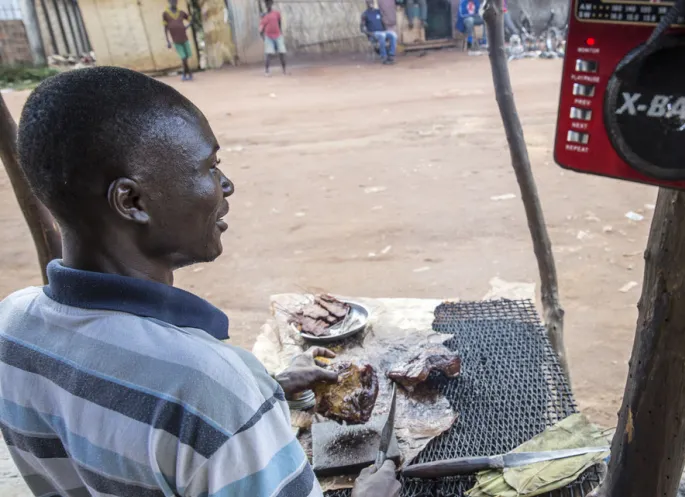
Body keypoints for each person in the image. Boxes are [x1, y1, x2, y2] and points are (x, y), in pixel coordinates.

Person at [2, 66, 402, 497]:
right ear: (132, 201)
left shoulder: (13, 326)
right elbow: (192, 401)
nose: (227, 185)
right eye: (210, 166)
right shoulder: (207, 389)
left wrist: (266, 387)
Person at [163, 0, 193, 81]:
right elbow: (165, 28)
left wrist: (186, 27)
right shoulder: (165, 14)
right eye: (171, 1)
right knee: (183, 58)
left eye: (175, 1)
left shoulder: (182, 13)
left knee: (186, 57)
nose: (173, 2)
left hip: (185, 39)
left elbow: (190, 20)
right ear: (169, 2)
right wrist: (168, 41)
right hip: (176, 40)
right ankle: (187, 73)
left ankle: (186, 74)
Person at [360, 0, 397, 65]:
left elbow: (383, 22)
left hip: (382, 32)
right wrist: (369, 34)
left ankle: (391, 55)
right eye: (369, 2)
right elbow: (362, 29)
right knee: (382, 35)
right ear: (366, 3)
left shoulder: (378, 12)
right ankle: (384, 57)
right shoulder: (365, 14)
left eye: (371, 2)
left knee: (393, 35)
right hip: (373, 34)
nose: (370, 3)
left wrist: (386, 29)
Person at [260, 0, 287, 75]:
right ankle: (267, 71)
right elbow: (261, 27)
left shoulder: (276, 13)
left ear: (271, 4)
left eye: (269, 3)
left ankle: (284, 70)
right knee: (268, 54)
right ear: (265, 5)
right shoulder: (264, 16)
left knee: (282, 52)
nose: (268, 5)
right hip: (268, 36)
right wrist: (263, 37)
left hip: (278, 35)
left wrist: (280, 32)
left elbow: (279, 23)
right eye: (266, 3)